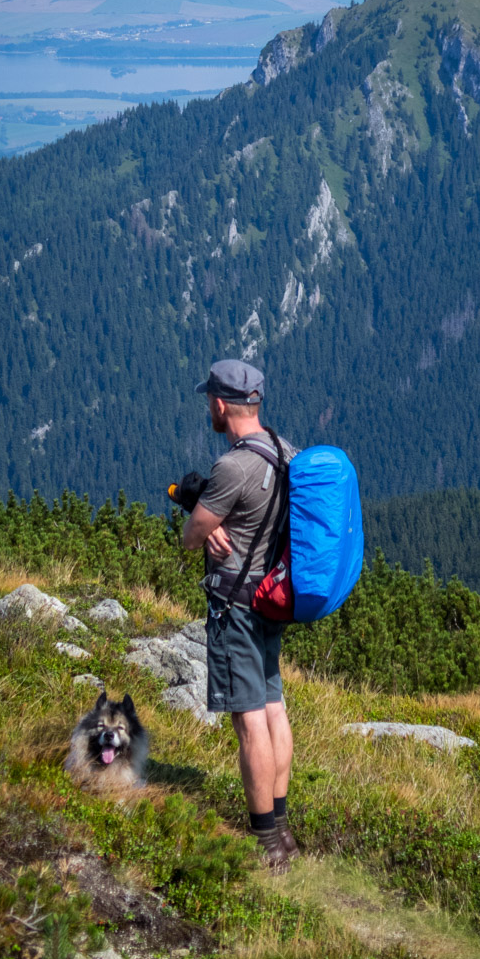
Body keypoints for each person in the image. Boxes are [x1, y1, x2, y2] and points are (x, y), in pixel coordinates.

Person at [182, 359, 299, 872]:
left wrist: (203, 525)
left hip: (235, 605)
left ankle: (265, 844)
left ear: (221, 404)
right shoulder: (282, 451)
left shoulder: (232, 468)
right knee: (273, 709)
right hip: (271, 599)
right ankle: (283, 829)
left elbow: (191, 537)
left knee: (248, 720)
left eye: (210, 398)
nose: (209, 405)